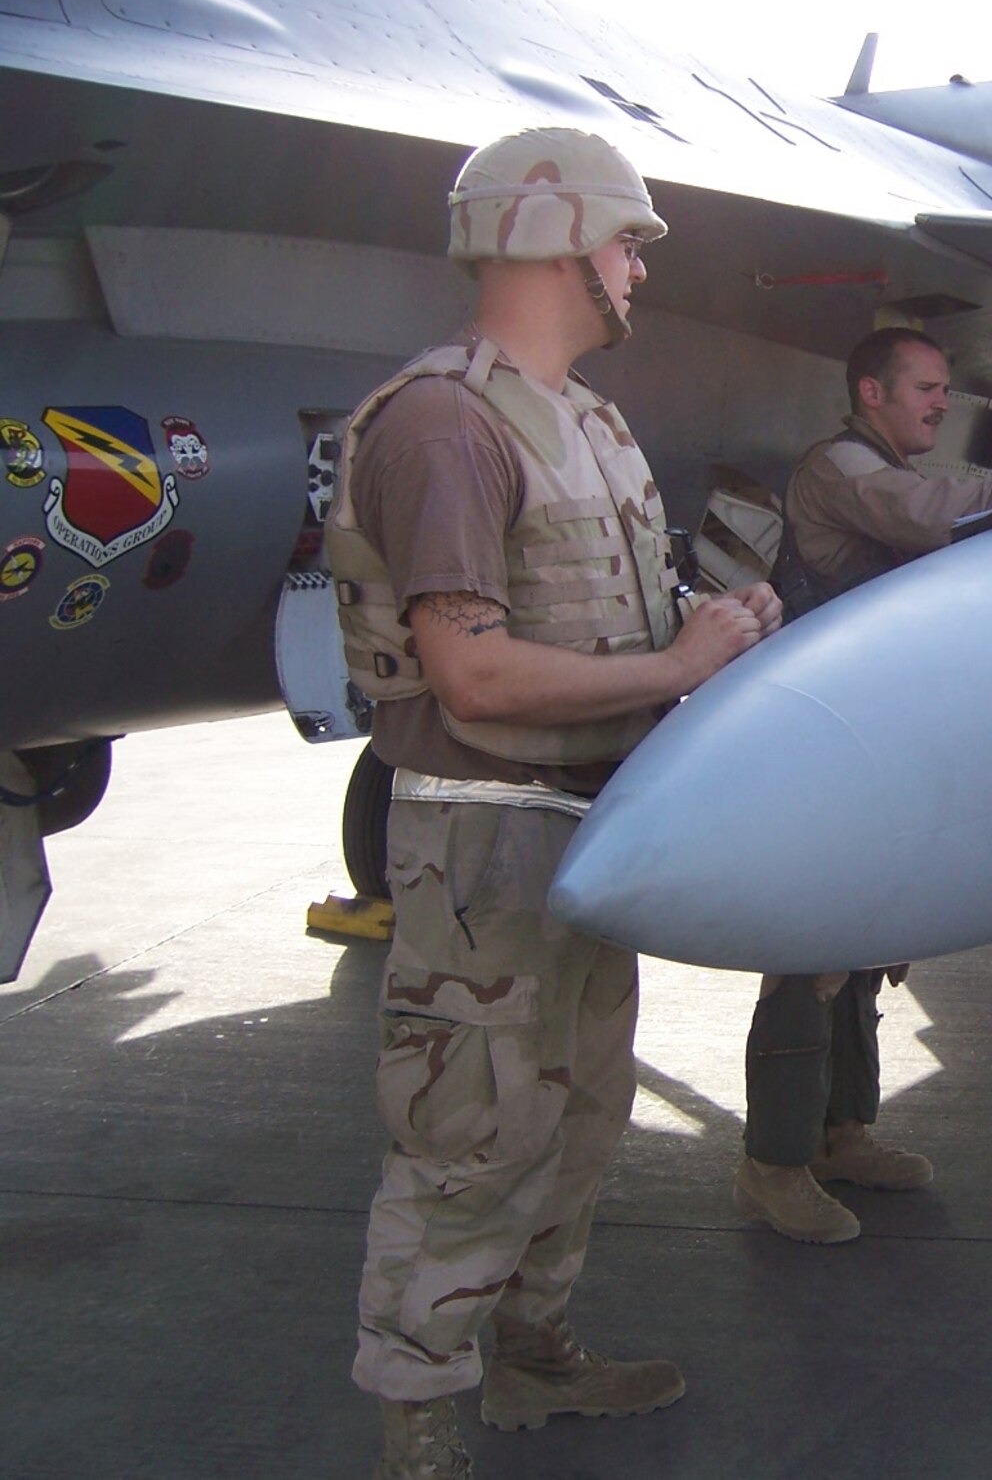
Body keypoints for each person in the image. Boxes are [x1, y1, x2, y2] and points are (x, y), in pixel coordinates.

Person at [327, 126, 782, 1479]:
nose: (641, 269)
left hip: (587, 831)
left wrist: (710, 623)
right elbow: (469, 671)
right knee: (470, 1131)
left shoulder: (584, 420)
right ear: (562, 235)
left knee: (580, 1113)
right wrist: (677, 664)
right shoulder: (444, 424)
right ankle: (417, 1416)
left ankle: (532, 1357)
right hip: (485, 836)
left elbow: (611, 617)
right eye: (630, 241)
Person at [734, 326, 992, 1244]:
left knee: (863, 946)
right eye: (924, 387)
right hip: (821, 743)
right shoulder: (843, 468)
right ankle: (774, 1163)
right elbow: (932, 512)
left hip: (866, 737)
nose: (939, 403)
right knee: (810, 956)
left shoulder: (872, 461)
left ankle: (843, 1135)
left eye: (942, 388)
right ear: (871, 392)